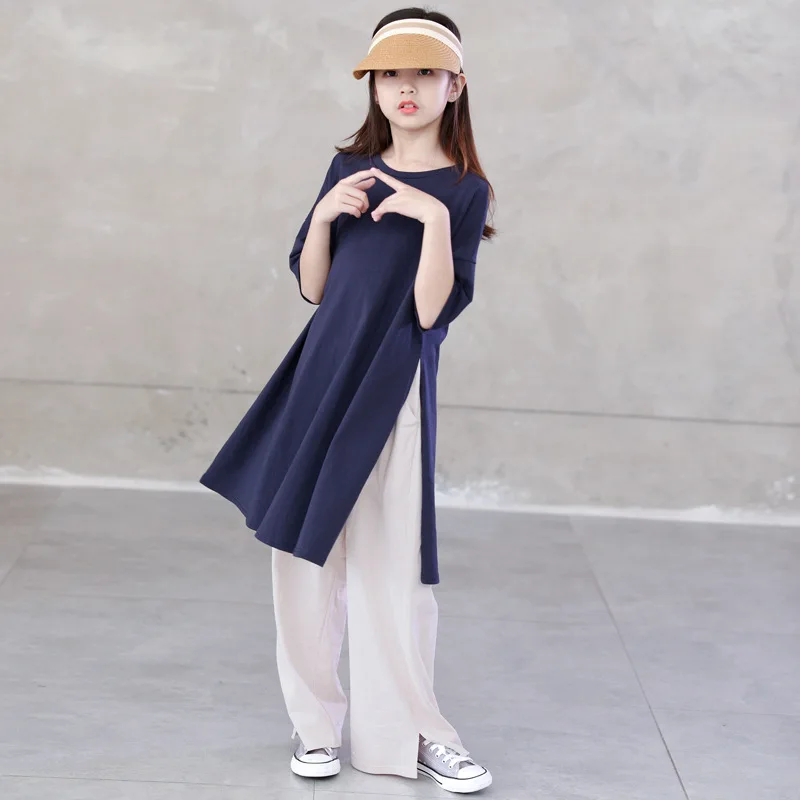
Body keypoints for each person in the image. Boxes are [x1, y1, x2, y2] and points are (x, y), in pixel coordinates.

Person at [199, 6, 496, 794]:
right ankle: (314, 726)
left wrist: (432, 219)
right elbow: (315, 288)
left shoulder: (464, 191)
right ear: (374, 85)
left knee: (393, 571)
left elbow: (431, 312)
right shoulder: (347, 169)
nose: (406, 88)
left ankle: (417, 731)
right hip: (319, 380)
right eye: (391, 74)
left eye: (424, 73)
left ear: (455, 85)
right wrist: (326, 217)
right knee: (303, 560)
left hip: (394, 387)